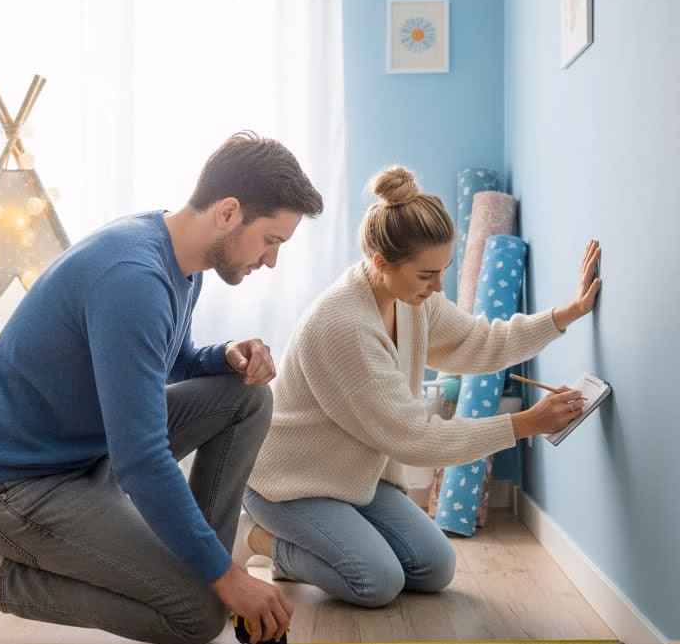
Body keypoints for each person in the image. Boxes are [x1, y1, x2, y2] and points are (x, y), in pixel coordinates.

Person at [0, 131, 324, 644]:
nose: (271, 260)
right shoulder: (133, 279)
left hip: (85, 458)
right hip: (10, 490)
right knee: (197, 616)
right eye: (271, 240)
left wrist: (224, 355)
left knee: (246, 398)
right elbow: (141, 458)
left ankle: (198, 560)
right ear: (229, 213)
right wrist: (229, 582)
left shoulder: (181, 258)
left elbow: (173, 359)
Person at [237, 164, 601, 609]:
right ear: (380, 263)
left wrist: (567, 314)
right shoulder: (344, 327)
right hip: (290, 484)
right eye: (428, 275)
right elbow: (417, 439)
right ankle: (260, 540)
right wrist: (525, 423)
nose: (438, 286)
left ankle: (330, 539)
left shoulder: (411, 299)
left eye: (443, 270)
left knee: (434, 567)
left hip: (357, 480)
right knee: (377, 581)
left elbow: (480, 342)